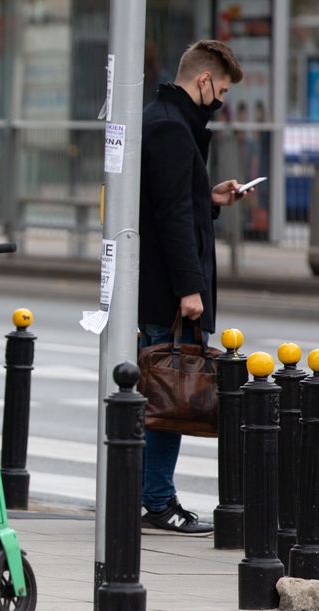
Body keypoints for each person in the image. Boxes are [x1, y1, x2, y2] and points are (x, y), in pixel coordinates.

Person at [139, 40, 250, 535]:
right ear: (204, 80)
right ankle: (156, 501)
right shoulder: (169, 128)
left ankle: (147, 495)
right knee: (170, 392)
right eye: (221, 89)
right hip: (167, 290)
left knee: (158, 389)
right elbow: (170, 216)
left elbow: (176, 200)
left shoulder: (167, 120)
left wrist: (210, 196)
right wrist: (190, 289)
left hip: (160, 284)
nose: (220, 100)